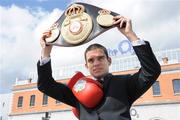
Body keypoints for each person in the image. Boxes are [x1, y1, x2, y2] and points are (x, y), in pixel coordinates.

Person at [37, 15, 161, 120]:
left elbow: (152, 71)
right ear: (86, 66)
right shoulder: (76, 90)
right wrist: (46, 53)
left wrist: (130, 35)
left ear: (109, 60)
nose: (96, 63)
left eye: (100, 58)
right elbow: (45, 85)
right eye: (91, 60)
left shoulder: (124, 83)